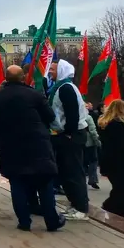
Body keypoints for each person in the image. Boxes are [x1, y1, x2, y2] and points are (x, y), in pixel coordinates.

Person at [0, 65, 65, 232]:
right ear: (23, 78)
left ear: (6, 78)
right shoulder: (35, 94)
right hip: (37, 144)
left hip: (10, 145)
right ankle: (52, 220)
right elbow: (50, 116)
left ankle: (24, 221)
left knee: (17, 183)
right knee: (44, 182)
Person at [48, 60, 90, 220]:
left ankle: (81, 208)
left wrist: (69, 132)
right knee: (66, 173)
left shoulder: (66, 88)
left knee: (74, 173)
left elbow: (72, 113)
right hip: (66, 134)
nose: (50, 72)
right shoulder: (61, 87)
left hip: (71, 135)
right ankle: (74, 204)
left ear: (61, 70)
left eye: (53, 69)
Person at [97, 98, 124, 218]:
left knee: (119, 187)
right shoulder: (119, 125)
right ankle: (112, 207)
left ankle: (116, 210)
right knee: (122, 188)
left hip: (108, 159)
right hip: (119, 161)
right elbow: (121, 145)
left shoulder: (105, 123)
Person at [84, 102, 101, 189]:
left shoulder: (77, 117)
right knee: (93, 161)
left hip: (79, 142)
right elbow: (93, 131)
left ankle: (82, 180)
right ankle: (93, 179)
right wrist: (98, 142)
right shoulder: (88, 117)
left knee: (82, 162)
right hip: (90, 142)